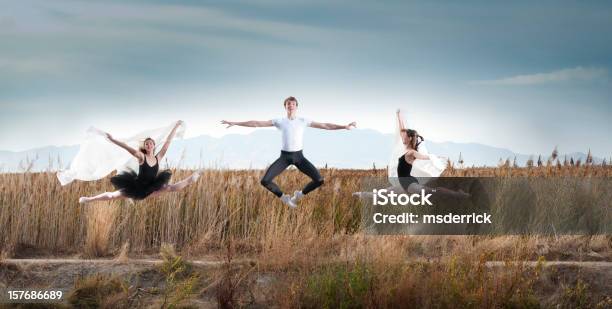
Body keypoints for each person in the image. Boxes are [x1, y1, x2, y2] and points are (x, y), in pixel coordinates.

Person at [221, 96, 356, 208]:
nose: (290, 105)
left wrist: (344, 126)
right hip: (284, 157)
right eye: (288, 104)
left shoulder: (303, 121)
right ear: (285, 107)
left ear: (297, 106)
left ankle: (299, 195)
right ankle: (284, 198)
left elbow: (326, 126)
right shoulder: (279, 121)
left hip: (299, 157)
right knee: (265, 181)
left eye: (293, 104)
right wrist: (236, 123)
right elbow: (256, 123)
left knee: (319, 180)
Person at [78, 120, 200, 203]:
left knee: (169, 187)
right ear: (145, 146)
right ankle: (89, 199)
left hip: (151, 188)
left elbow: (168, 142)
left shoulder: (158, 157)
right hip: (136, 188)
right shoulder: (141, 157)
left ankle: (190, 180)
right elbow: (126, 147)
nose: (149, 144)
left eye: (151, 143)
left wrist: (176, 126)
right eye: (146, 144)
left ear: (154, 145)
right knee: (112, 196)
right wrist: (113, 140)